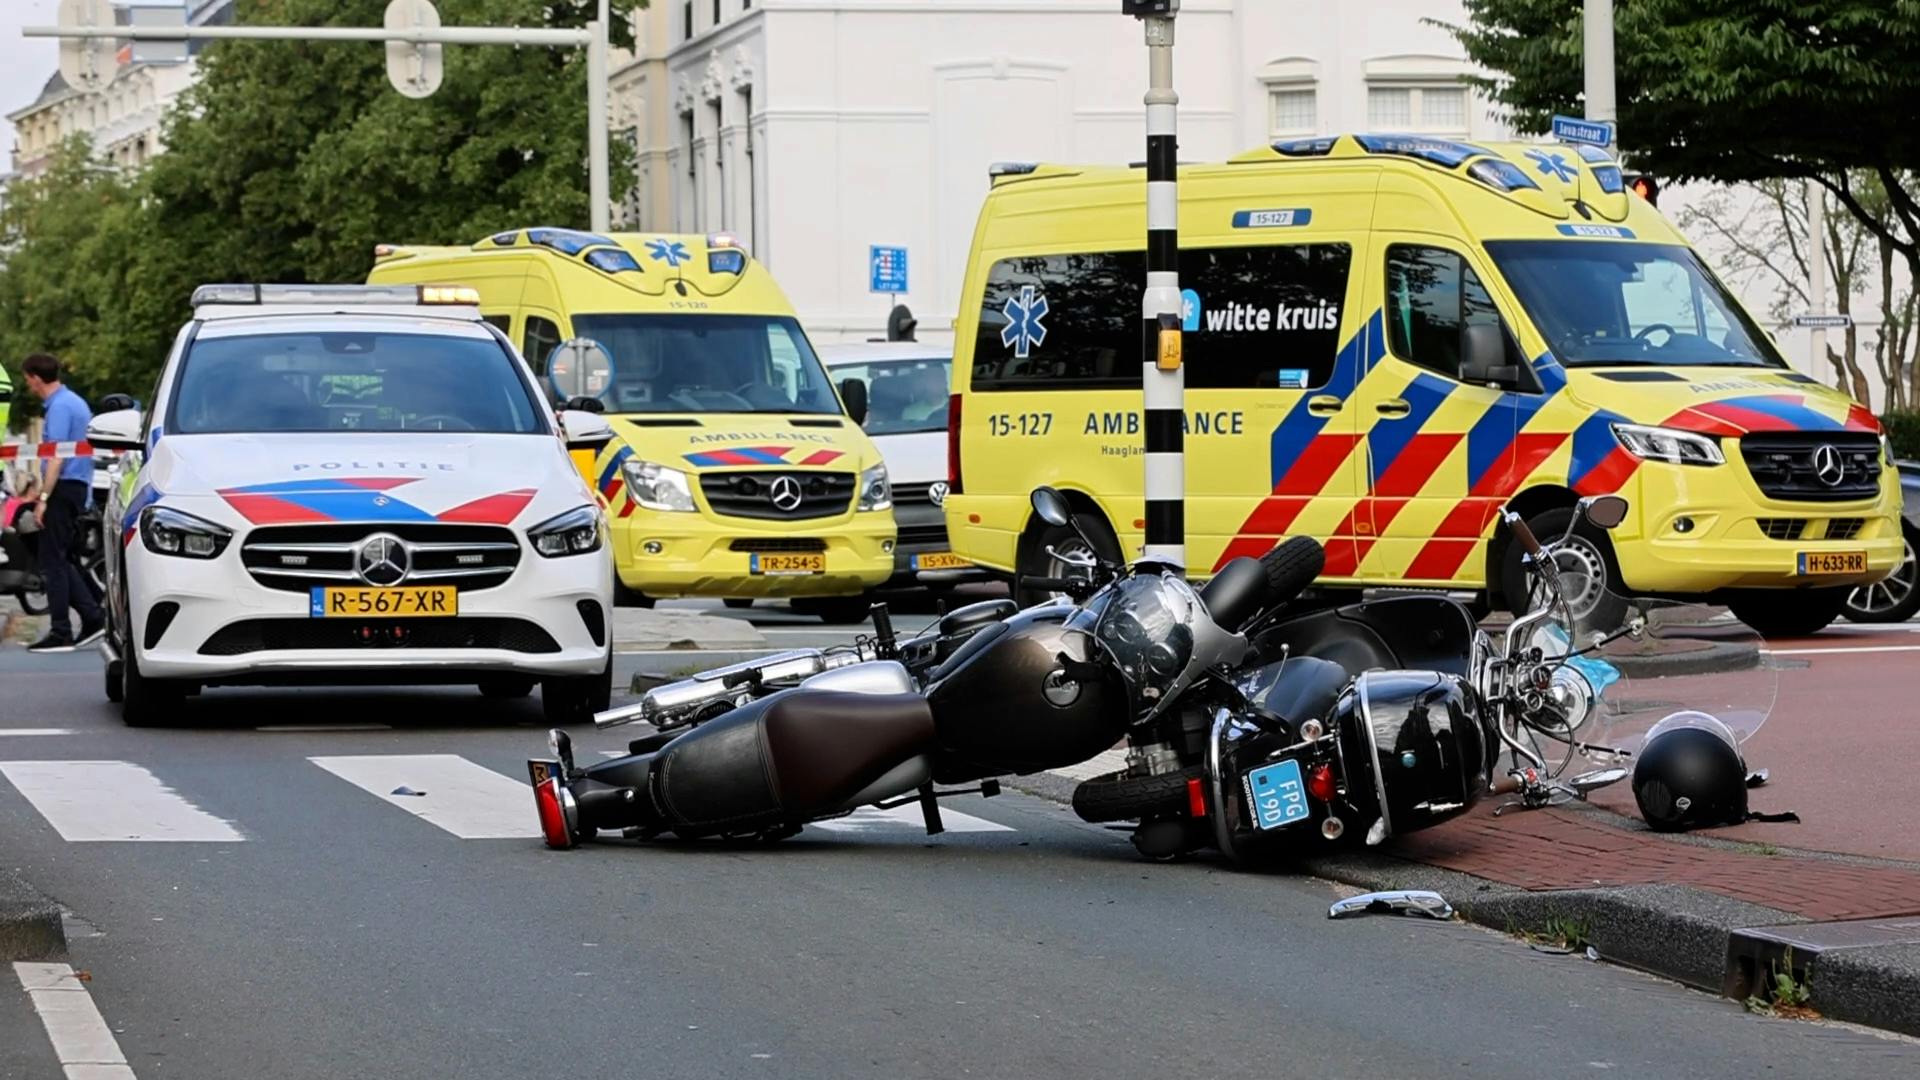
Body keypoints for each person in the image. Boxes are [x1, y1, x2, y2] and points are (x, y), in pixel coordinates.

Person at [20, 354, 104, 652]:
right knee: (63, 558)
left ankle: (61, 631)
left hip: (64, 488)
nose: (27, 385)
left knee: (52, 561)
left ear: (35, 377)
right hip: (74, 487)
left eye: (27, 379)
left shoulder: (60, 407)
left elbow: (56, 456)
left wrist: (42, 498)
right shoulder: (72, 402)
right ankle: (94, 616)